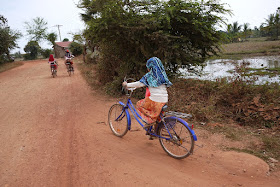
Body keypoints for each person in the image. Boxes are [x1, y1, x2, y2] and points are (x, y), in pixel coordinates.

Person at [123, 57, 172, 130]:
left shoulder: (149, 76)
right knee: (156, 114)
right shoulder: (163, 75)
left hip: (155, 101)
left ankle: (148, 121)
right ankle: (154, 131)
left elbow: (139, 84)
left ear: (150, 66)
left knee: (139, 104)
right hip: (164, 100)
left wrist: (127, 85)